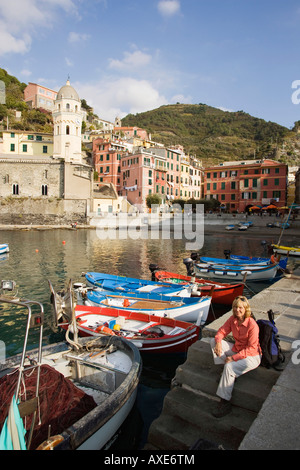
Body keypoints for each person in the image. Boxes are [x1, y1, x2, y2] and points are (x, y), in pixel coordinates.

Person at [210, 296, 262, 418]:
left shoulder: (252, 324)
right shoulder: (232, 319)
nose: (237, 310)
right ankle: (226, 373)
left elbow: (252, 348)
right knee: (213, 342)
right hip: (238, 349)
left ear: (245, 309)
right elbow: (221, 332)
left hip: (252, 356)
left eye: (240, 307)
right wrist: (218, 342)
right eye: (235, 307)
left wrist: (233, 358)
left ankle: (225, 401)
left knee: (230, 366)